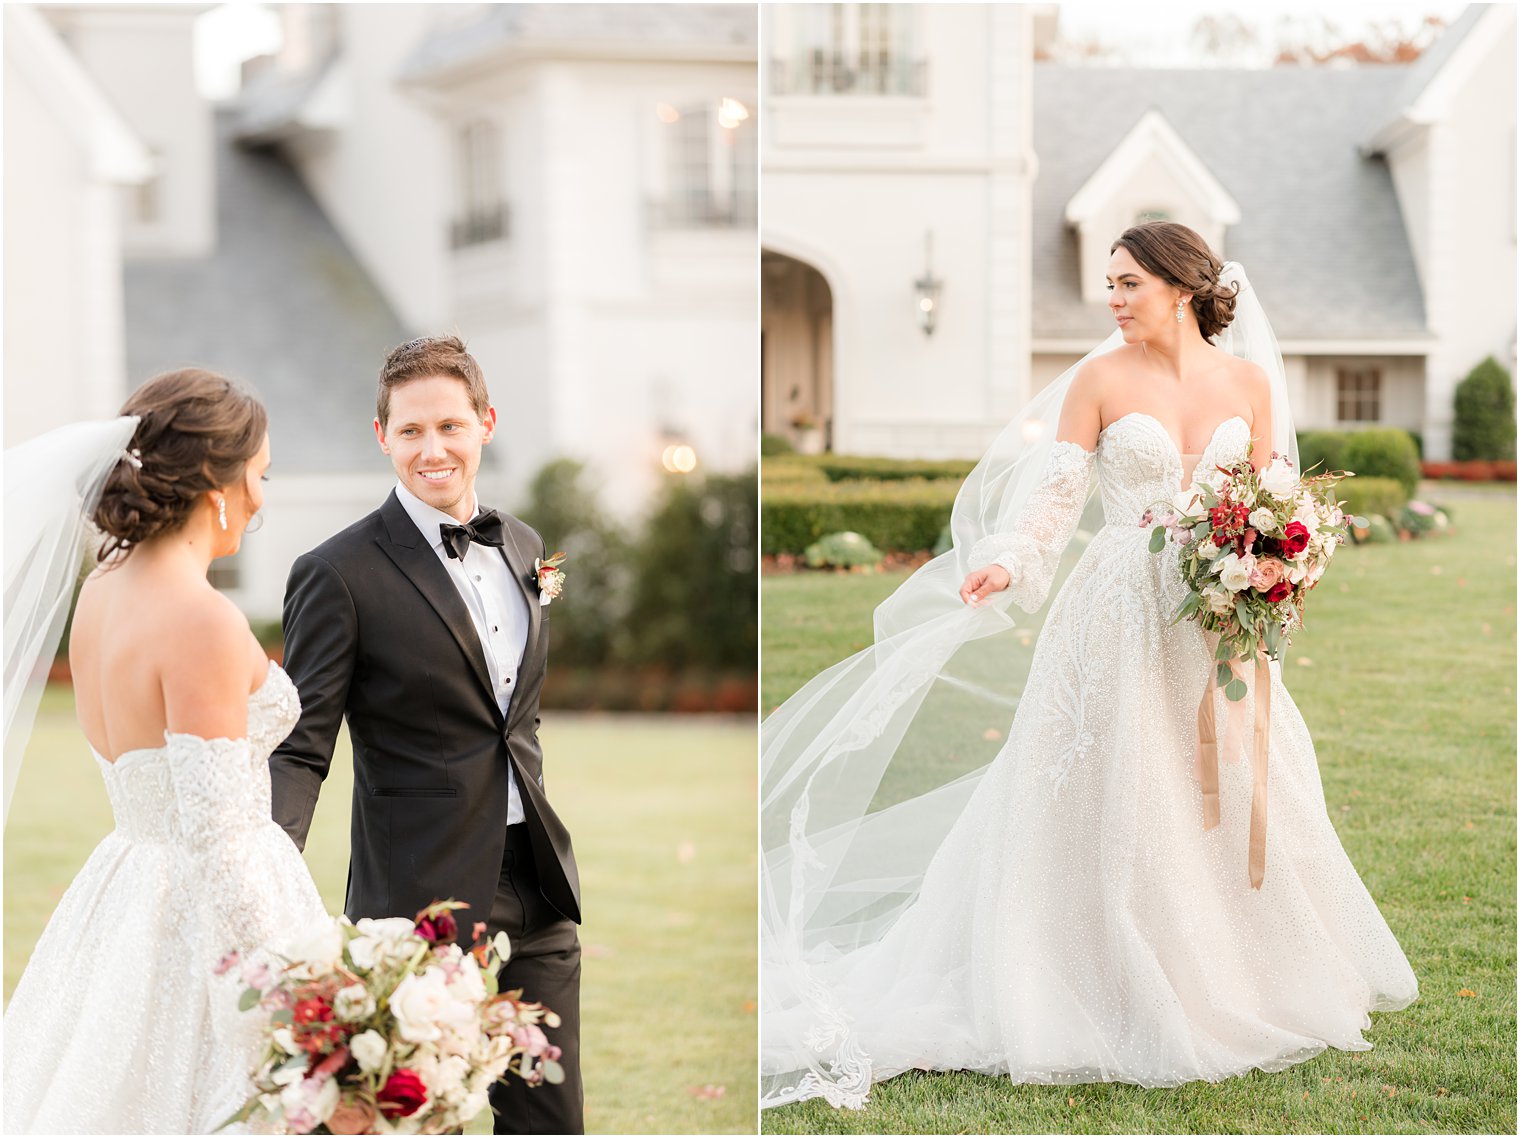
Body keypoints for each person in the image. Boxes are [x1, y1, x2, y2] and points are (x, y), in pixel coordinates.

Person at [761, 222, 1419, 1109]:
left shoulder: (1253, 383)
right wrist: (1011, 561)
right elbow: (1055, 498)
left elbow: (1282, 500)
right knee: (1111, 780)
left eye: (1127, 283)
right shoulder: (1101, 380)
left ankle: (1237, 971)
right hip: (1116, 607)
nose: (1110, 298)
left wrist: (1277, 566)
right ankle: (1081, 968)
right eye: (1108, 283)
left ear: (1182, 288)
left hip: (1216, 622)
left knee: (1224, 778)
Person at [268, 335, 584, 1135]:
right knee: (412, 1119)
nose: (431, 448)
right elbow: (304, 746)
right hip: (416, 898)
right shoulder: (335, 573)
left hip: (537, 884)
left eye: (449, 426)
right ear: (382, 437)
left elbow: (518, 716)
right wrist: (266, 870)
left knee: (549, 1116)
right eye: (409, 431)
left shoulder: (523, 546)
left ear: (485, 423)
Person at [2, 370, 329, 1133]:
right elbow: (216, 837)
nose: (262, 497)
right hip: (204, 916)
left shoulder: (101, 590)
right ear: (219, 484)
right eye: (260, 474)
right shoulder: (202, 621)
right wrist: (296, 995)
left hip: (123, 888)